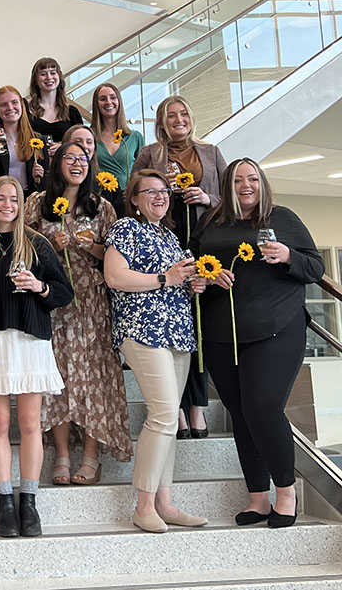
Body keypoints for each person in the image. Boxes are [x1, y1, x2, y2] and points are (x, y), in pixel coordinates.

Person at [190, 159, 323, 528]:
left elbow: (315, 268)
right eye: (237, 180)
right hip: (222, 333)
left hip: (276, 329)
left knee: (263, 407)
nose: (245, 185)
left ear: (261, 184)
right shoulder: (211, 221)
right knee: (241, 413)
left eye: (252, 179)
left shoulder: (283, 218)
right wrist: (204, 276)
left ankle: (286, 492)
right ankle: (257, 498)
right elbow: (193, 262)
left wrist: (288, 256)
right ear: (227, 185)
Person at [0, 178, 71, 538]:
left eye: (14, 199)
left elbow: (63, 293)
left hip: (30, 338)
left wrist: (39, 287)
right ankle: (4, 504)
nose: (7, 205)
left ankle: (29, 501)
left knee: (29, 423)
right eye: (1, 199)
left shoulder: (37, 243)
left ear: (21, 204)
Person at [103, 169, 208, 532]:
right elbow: (114, 277)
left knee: (169, 417)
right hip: (142, 330)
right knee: (164, 414)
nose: (160, 197)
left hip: (177, 331)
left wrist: (192, 283)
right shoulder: (125, 229)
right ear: (134, 199)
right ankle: (143, 505)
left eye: (164, 191)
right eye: (150, 192)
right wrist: (166, 278)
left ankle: (165, 502)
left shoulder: (170, 236)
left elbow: (177, 279)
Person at [25, 143, 131, 485]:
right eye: (68, 158)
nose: (76, 164)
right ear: (57, 164)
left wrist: (91, 246)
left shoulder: (101, 207)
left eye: (82, 159)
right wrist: (48, 246)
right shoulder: (36, 203)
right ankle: (62, 453)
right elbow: (22, 249)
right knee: (57, 375)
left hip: (90, 301)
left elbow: (114, 258)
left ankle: (90, 454)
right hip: (52, 301)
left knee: (92, 378)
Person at [132, 95, 227, 440]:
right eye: (170, 115)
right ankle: (176, 410)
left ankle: (197, 407)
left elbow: (228, 199)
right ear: (161, 122)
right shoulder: (150, 154)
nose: (178, 119)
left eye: (183, 113)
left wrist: (207, 199)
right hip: (165, 242)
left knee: (198, 323)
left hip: (202, 241)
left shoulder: (212, 152)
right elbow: (136, 191)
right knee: (175, 328)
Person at [0, 85, 47, 194]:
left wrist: (40, 177)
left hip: (28, 200)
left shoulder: (37, 139)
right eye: (3, 105)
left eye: (14, 102)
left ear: (21, 105)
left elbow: (47, 178)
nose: (10, 108)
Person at [64, 122, 125, 220]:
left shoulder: (107, 183)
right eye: (78, 141)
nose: (84, 146)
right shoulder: (50, 181)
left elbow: (120, 219)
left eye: (89, 142)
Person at [91, 82, 144, 192]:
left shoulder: (135, 137)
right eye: (103, 99)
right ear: (96, 104)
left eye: (113, 97)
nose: (108, 102)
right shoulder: (89, 137)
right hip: (98, 197)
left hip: (128, 197)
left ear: (119, 101)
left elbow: (143, 173)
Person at [25, 57, 83, 152]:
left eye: (53, 72)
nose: (49, 77)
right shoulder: (26, 110)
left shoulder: (72, 113)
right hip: (34, 164)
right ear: (35, 79)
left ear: (59, 77)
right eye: (43, 74)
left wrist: (63, 147)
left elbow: (81, 143)